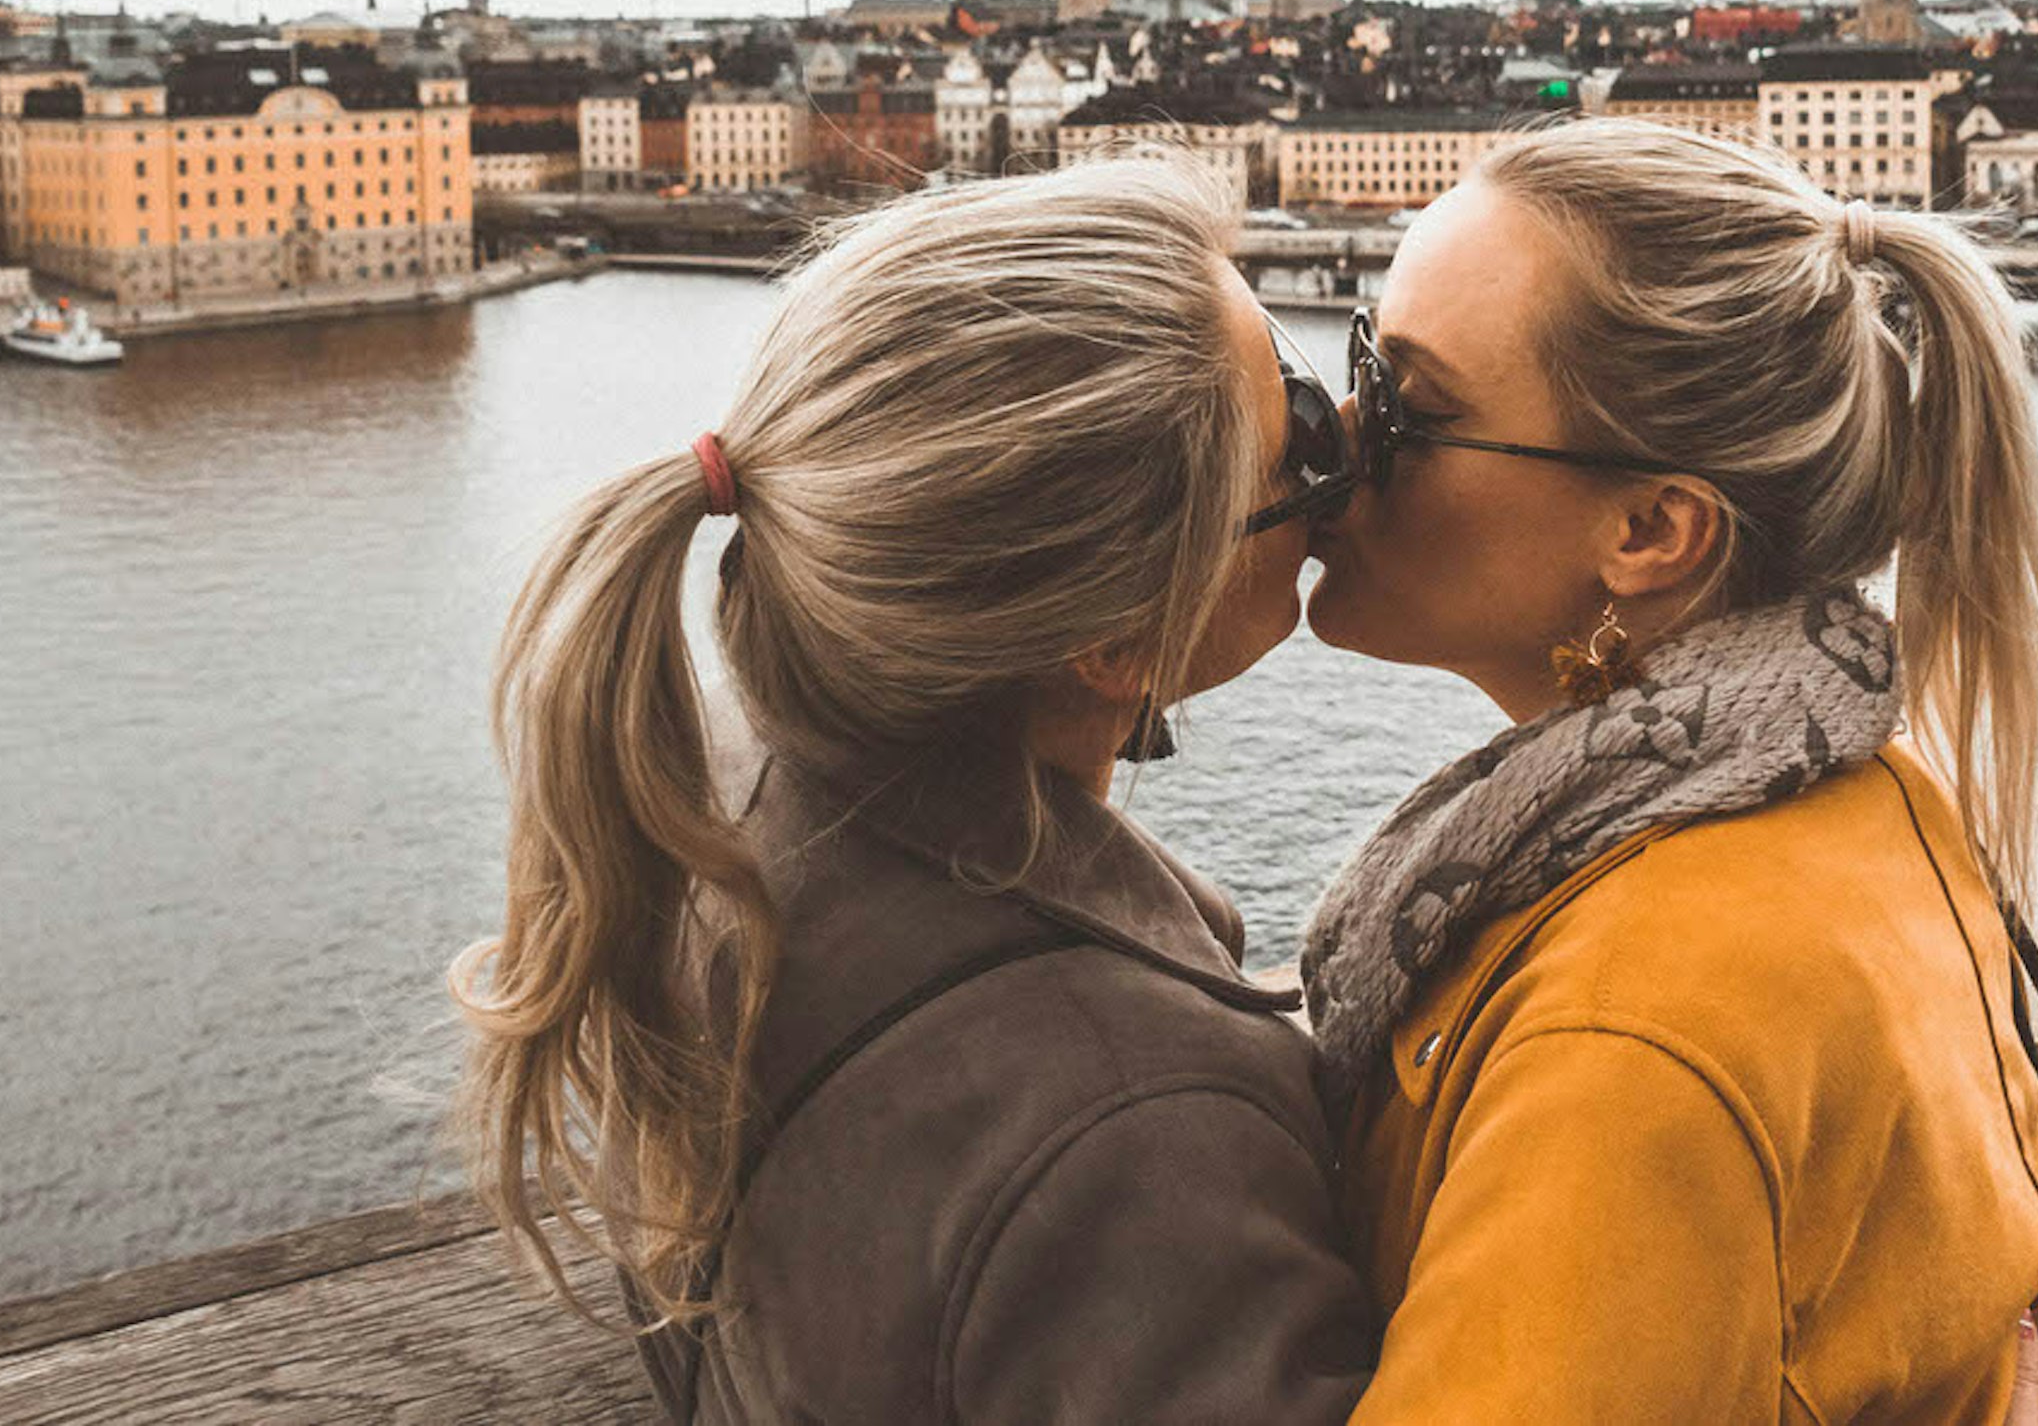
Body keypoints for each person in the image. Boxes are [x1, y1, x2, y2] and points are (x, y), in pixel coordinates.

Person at [451, 156, 1375, 1423]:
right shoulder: (1138, 1135)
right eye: (1308, 437)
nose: (1357, 464)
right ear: (1113, 642)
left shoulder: (709, 810)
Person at [1304, 118, 2038, 1426]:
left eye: (1409, 404)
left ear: (1651, 529)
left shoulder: (1633, 1025)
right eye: (1361, 356)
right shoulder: (1878, 794)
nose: (1338, 434)